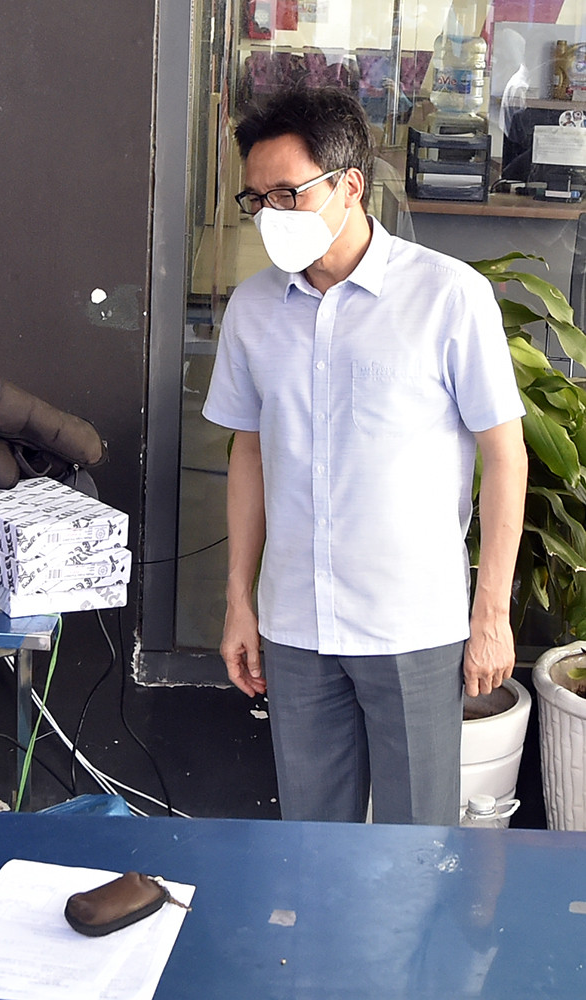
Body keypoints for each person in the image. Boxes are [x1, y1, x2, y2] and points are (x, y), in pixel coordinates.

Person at [203, 87, 526, 826]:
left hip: (411, 625)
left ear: (350, 185)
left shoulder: (449, 297)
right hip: (295, 625)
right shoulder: (253, 309)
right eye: (258, 200)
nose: (271, 215)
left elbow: (505, 456)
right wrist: (238, 600)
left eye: (288, 193)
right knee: (313, 843)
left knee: (417, 849)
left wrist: (491, 614)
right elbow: (249, 452)